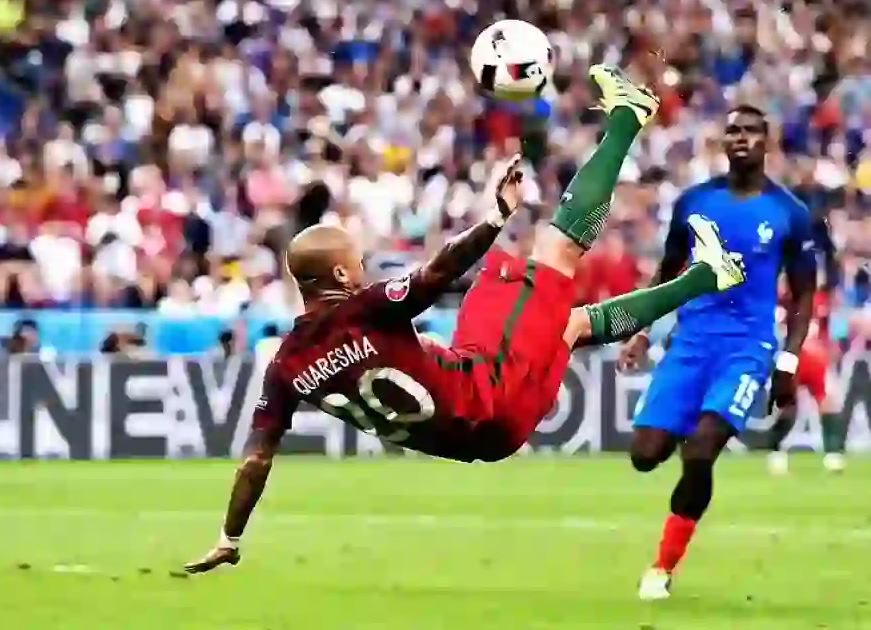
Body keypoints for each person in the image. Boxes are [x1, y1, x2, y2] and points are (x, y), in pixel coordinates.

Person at [180, 66, 746, 574]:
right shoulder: (364, 308)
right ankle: (629, 113)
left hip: (487, 437)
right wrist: (495, 218)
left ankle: (708, 275)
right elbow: (431, 276)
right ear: (343, 278)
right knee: (552, 255)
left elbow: (256, 458)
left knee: (568, 325)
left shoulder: (285, 367)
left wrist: (229, 536)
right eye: (357, 261)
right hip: (486, 387)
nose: (365, 267)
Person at [618, 105, 817, 601]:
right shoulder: (693, 203)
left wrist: (787, 361)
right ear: (722, 141)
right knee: (645, 455)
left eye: (751, 130)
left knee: (701, 450)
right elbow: (666, 272)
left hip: (747, 348)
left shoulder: (789, 213)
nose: (741, 137)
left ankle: (662, 568)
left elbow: (805, 294)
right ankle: (695, 420)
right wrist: (641, 330)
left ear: (766, 142)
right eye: (732, 130)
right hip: (690, 344)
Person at [767, 285, 845, 475]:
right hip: (793, 356)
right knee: (787, 405)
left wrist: (834, 344)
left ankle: (833, 455)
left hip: (817, 358)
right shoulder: (787, 299)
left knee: (826, 402)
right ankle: (777, 454)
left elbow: (834, 325)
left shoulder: (824, 298)